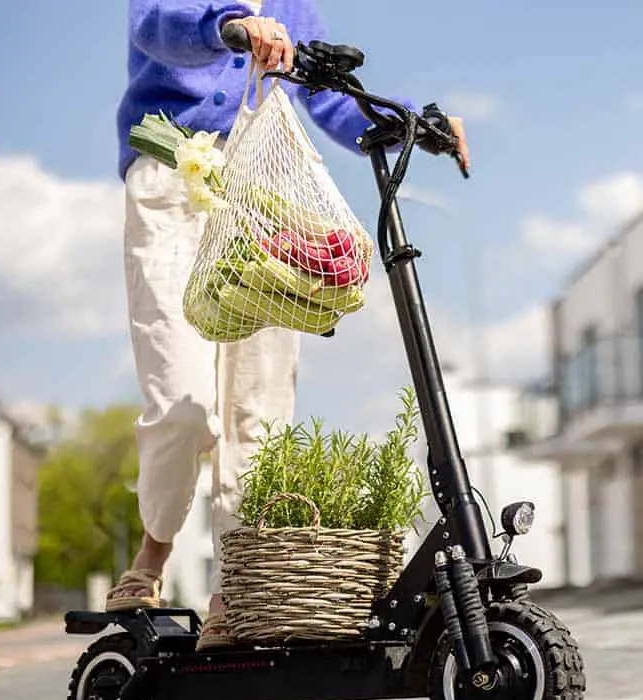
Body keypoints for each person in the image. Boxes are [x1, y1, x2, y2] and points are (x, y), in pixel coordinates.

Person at [108, 0, 470, 651]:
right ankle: (154, 548)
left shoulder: (293, 7)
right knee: (183, 405)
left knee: (257, 410)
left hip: (262, 190)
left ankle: (236, 588)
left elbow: (326, 94)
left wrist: (414, 119)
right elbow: (156, 30)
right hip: (171, 180)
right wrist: (233, 28)